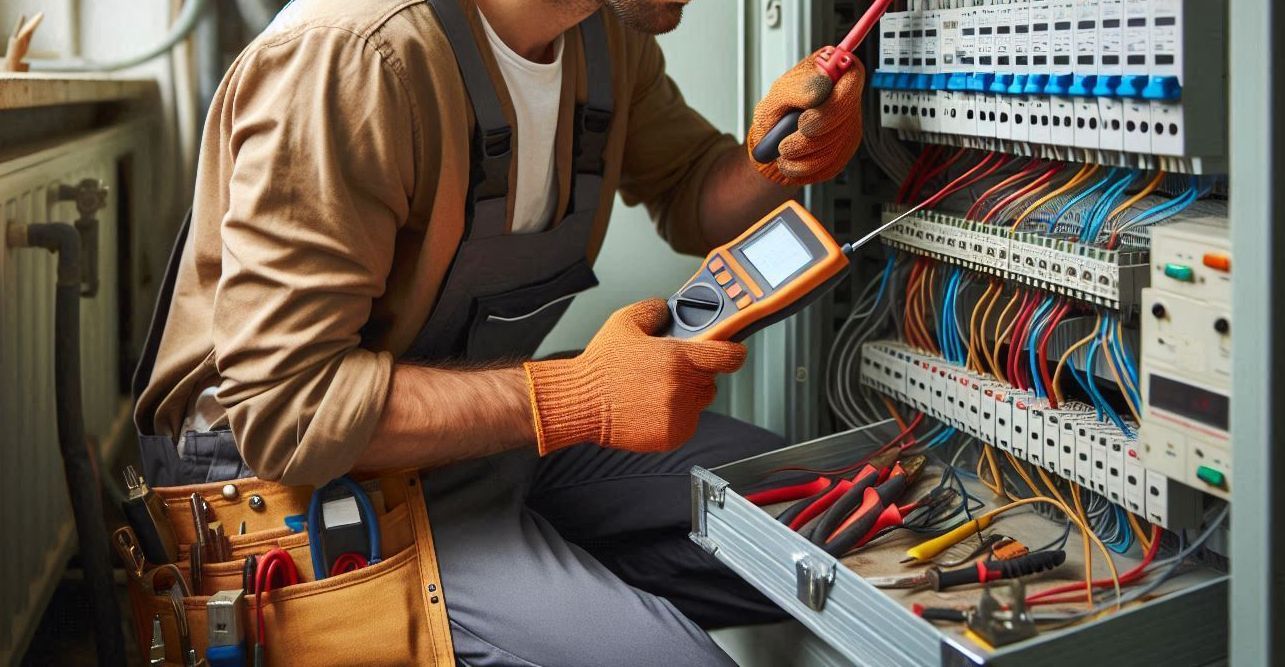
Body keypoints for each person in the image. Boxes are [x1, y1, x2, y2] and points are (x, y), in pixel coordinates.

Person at [133, 0, 864, 663]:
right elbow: (289, 411)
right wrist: (578, 396)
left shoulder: (602, 35)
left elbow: (691, 192)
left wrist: (778, 161)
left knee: (838, 513)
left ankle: (561, 587)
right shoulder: (352, 57)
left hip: (475, 438)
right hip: (294, 489)